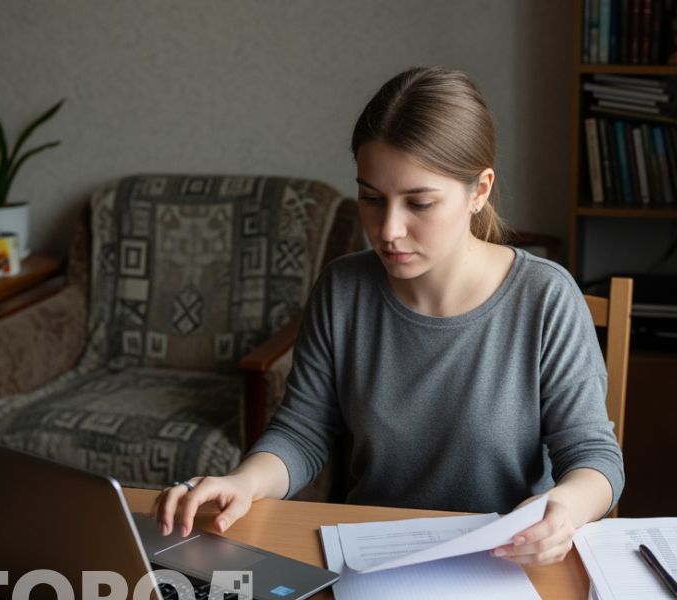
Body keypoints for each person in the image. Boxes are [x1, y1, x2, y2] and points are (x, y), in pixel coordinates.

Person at [152, 67, 624, 567]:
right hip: (372, 557)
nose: (389, 230)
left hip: (503, 561)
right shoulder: (342, 289)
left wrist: (563, 509)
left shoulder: (546, 298)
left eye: (419, 203)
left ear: (479, 190)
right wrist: (244, 481)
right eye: (371, 199)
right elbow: (301, 433)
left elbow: (594, 458)